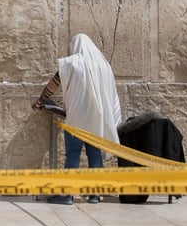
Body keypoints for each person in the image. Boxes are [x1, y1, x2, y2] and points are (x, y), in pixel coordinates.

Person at [33, 34, 122, 205]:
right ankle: (95, 194)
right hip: (97, 119)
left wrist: (41, 100)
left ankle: (67, 194)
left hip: (76, 120)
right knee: (95, 156)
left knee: (72, 155)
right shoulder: (104, 66)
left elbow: (53, 84)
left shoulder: (72, 62)